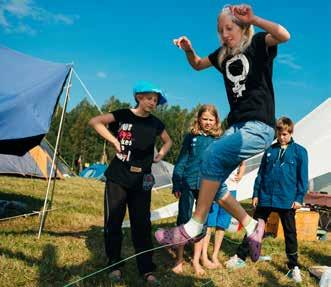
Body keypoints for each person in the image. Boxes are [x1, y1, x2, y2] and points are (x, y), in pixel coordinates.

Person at [155, 4, 290, 263]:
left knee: (212, 153)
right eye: (220, 30)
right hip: (236, 127)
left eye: (229, 28)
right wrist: (188, 50)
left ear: (243, 27)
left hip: (259, 126)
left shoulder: (259, 44)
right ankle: (252, 226)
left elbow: (284, 35)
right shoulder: (221, 55)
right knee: (214, 182)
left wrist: (255, 19)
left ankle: (194, 226)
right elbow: (196, 64)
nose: (224, 34)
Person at [89, 81, 172, 286]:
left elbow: (168, 141)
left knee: (142, 224)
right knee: (114, 221)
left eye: (156, 100)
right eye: (149, 98)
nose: (153, 102)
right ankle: (114, 265)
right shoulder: (122, 115)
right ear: (139, 97)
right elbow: (95, 121)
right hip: (118, 176)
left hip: (142, 179)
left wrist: (161, 153)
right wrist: (114, 141)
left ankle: (147, 269)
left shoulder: (155, 123)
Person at [226, 117, 308, 283]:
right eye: (279, 133)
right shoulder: (270, 151)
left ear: (291, 132)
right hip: (265, 197)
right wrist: (256, 194)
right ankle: (240, 256)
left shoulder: (300, 152)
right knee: (254, 228)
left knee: (290, 233)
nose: (281, 136)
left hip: (286, 199)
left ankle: (294, 266)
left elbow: (303, 178)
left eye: (285, 134)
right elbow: (261, 174)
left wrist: (299, 198)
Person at [171, 104, 222, 275]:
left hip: (207, 186)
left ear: (216, 121)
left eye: (211, 119)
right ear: (199, 119)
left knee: (202, 223)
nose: (207, 122)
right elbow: (181, 161)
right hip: (187, 183)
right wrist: (177, 182)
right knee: (184, 219)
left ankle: (196, 261)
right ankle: (178, 259)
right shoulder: (190, 137)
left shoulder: (218, 140)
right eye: (204, 119)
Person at [201, 162, 246, 270]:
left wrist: (241, 174)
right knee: (209, 224)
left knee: (222, 224)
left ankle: (214, 255)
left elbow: (243, 163)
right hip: (215, 187)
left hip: (231, 189)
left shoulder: (239, 147)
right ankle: (203, 256)